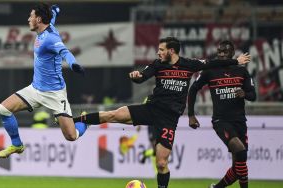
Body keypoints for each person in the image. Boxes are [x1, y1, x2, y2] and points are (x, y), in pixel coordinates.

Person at [73, 36, 251, 188]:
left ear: (171, 51)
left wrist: (236, 61)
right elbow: (143, 77)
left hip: (168, 119)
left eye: (161, 49)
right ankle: (77, 120)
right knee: (114, 114)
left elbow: (214, 62)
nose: (158, 52)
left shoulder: (190, 65)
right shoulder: (158, 65)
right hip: (151, 109)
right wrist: (136, 77)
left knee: (161, 163)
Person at [0, 3, 88, 158]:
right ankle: (17, 145)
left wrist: (73, 64)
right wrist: (55, 11)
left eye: (31, 16)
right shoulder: (46, 27)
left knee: (71, 136)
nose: (28, 19)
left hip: (54, 94)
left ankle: (85, 121)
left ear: (38, 19)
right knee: (3, 109)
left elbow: (65, 52)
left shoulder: (51, 39)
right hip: (35, 89)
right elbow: (52, 18)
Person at [187, 40, 256, 188]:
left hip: (240, 121)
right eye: (219, 52)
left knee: (238, 167)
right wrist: (191, 115)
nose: (222, 54)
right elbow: (193, 89)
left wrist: (244, 93)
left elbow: (253, 95)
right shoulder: (210, 71)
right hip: (221, 121)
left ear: (232, 53)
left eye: (225, 52)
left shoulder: (242, 71)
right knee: (241, 151)